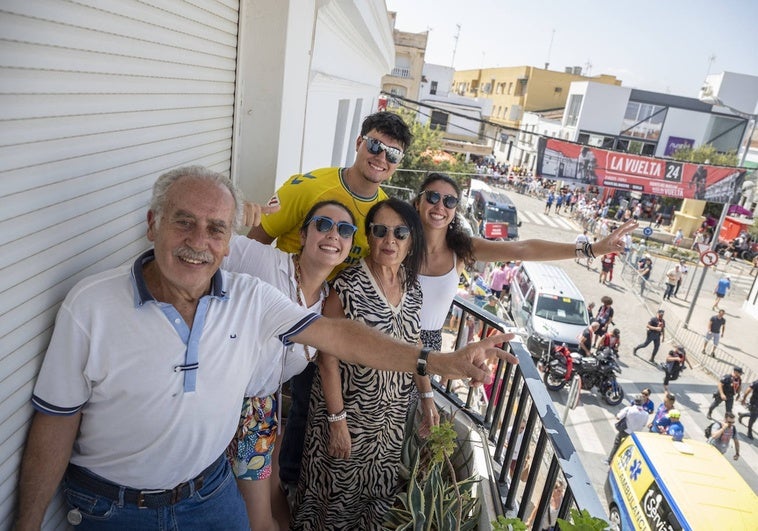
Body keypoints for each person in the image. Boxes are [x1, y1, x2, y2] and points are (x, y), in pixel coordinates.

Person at [14, 167, 516, 531]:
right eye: (183, 222)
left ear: (228, 244)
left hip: (209, 493)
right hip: (113, 507)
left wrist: (443, 362)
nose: (199, 241)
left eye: (216, 229)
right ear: (153, 224)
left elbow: (337, 336)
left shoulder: (250, 297)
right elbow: (56, 421)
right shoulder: (91, 306)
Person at [247, 111, 414, 492]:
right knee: (271, 402)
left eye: (393, 154)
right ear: (359, 143)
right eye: (375, 145)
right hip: (280, 317)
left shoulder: (383, 211)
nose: (381, 157)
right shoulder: (309, 186)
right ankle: (279, 484)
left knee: (311, 413)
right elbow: (255, 241)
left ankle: (294, 488)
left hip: (334, 331)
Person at [292, 198, 432, 529]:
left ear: (412, 240)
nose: (390, 241)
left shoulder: (413, 289)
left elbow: (416, 346)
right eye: (380, 231)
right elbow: (327, 358)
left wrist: (427, 398)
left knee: (375, 500)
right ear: (368, 236)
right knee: (332, 503)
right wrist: (337, 420)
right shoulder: (346, 286)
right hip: (347, 418)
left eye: (400, 232)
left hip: (390, 423)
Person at [221, 200, 356, 531]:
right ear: (303, 233)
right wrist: (234, 213)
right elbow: (211, 244)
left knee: (267, 504)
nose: (333, 234)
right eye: (323, 224)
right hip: (221, 402)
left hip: (262, 412)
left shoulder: (325, 304)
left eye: (345, 229)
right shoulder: (264, 262)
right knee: (252, 519)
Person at [411, 172, 637, 354]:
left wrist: (592, 249)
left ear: (455, 210)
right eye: (432, 197)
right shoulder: (396, 242)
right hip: (387, 337)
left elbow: (525, 248)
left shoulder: (460, 250)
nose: (440, 206)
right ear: (418, 201)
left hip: (428, 351)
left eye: (449, 201)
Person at [606, 394, 649, 462]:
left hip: (625, 431)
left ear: (634, 401)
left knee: (617, 444)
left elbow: (618, 417)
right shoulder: (646, 414)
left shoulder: (629, 409)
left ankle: (609, 460)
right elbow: (644, 425)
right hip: (635, 435)